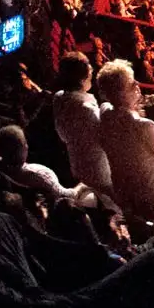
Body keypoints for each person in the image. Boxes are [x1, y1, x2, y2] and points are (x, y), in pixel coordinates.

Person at [95, 59, 154, 223]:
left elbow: (108, 107)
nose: (137, 83)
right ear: (118, 92)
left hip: (128, 198)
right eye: (130, 82)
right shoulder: (145, 127)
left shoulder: (105, 115)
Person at [52, 50, 113, 202]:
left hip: (77, 165)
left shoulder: (59, 97)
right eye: (90, 69)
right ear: (82, 77)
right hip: (99, 170)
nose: (92, 72)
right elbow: (106, 139)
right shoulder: (86, 108)